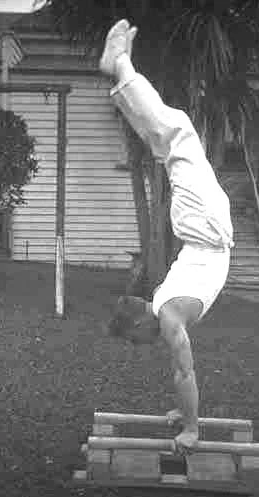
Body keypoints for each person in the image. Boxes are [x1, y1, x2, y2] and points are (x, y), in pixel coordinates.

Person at [100, 19, 234, 455]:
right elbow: (180, 374)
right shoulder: (162, 301)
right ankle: (121, 71)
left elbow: (183, 373)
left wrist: (191, 428)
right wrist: (183, 412)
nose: (141, 347)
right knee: (172, 143)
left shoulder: (169, 315)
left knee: (176, 136)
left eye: (136, 340)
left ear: (141, 322)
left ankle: (120, 66)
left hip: (204, 229)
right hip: (202, 231)